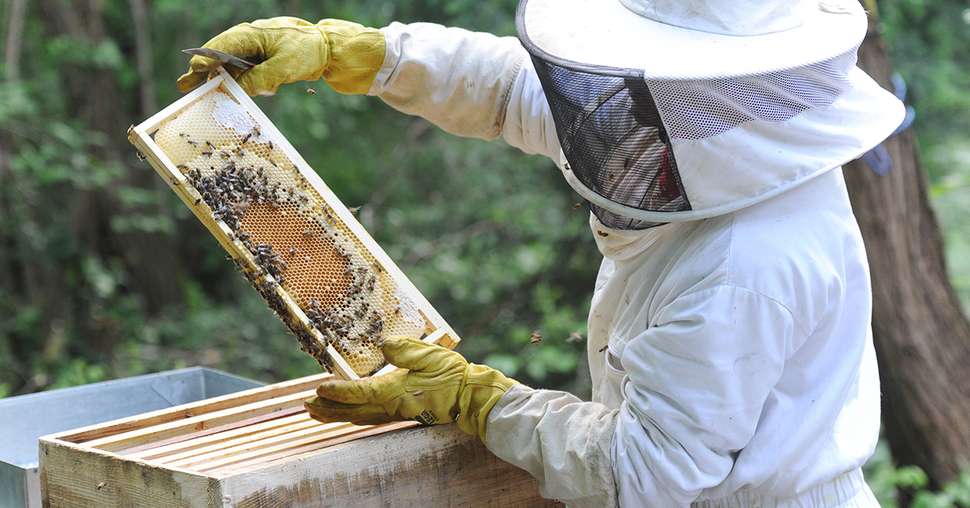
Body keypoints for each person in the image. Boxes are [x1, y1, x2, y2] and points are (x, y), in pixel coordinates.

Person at [179, 1, 904, 506]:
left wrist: (478, 400)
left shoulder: (746, 267)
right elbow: (519, 89)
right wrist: (363, 54)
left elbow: (640, 475)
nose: (607, 103)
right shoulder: (702, 123)